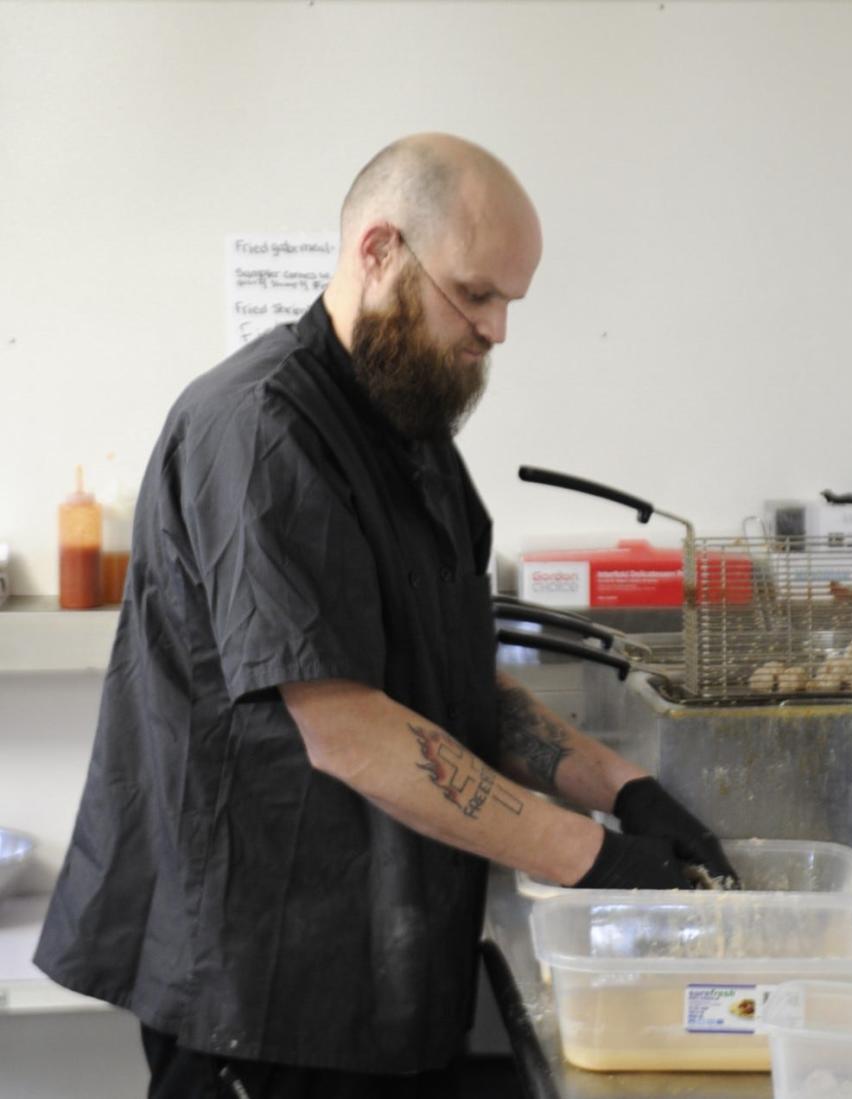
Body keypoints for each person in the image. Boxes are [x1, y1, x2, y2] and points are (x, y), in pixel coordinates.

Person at [34, 133, 736, 1098]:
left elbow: (448, 669)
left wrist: (624, 789)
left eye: (508, 303)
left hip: (383, 979)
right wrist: (596, 858)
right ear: (379, 252)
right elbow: (351, 730)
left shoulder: (411, 432)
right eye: (476, 294)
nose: (496, 331)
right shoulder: (260, 429)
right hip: (267, 996)